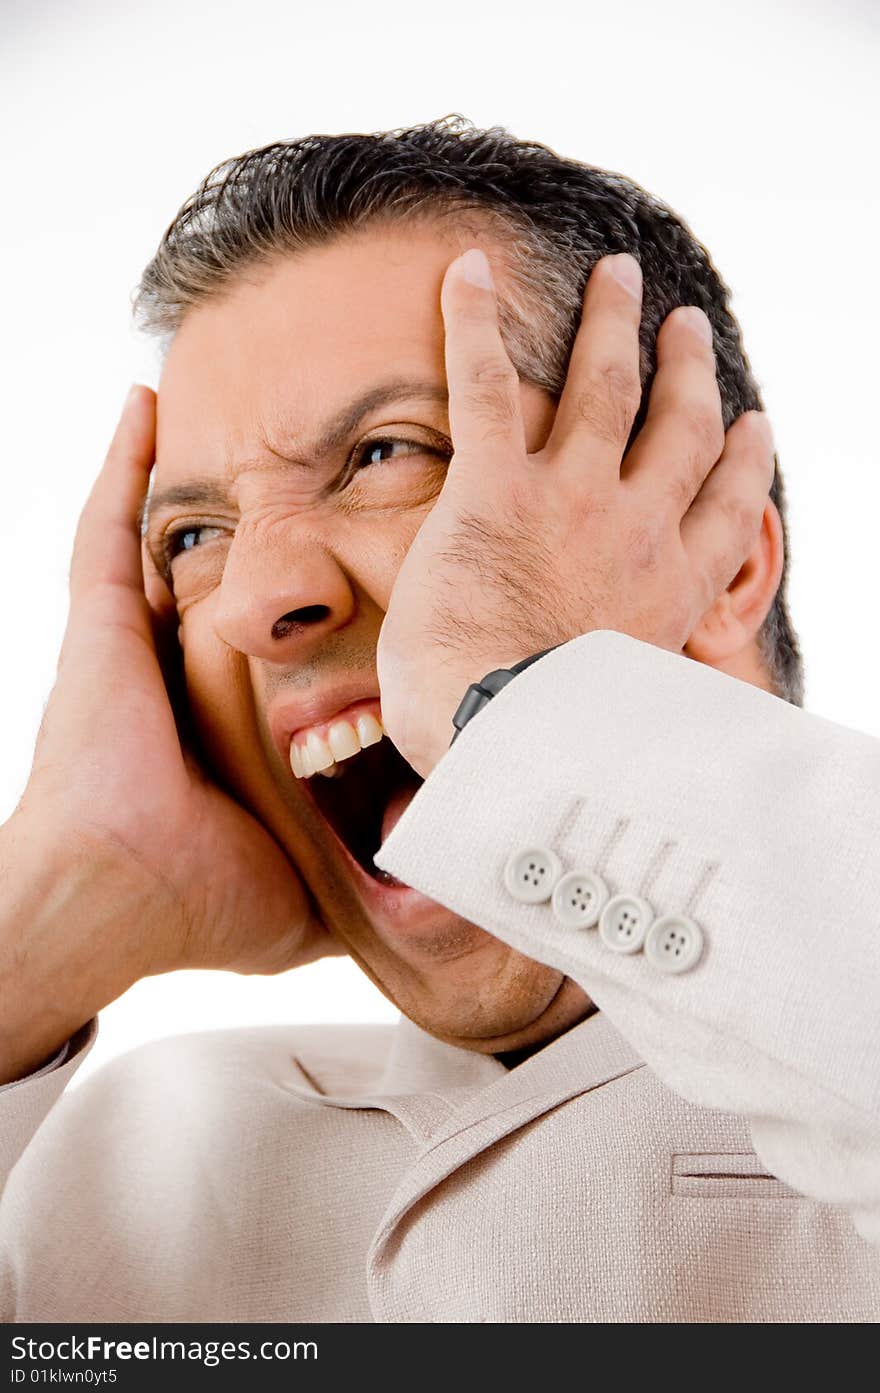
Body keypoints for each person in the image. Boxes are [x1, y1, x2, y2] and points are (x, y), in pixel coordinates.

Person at [0, 117, 876, 1323]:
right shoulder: (126, 1169)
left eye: (384, 452)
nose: (257, 600)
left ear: (720, 562)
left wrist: (533, 713)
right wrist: (37, 929)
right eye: (193, 536)